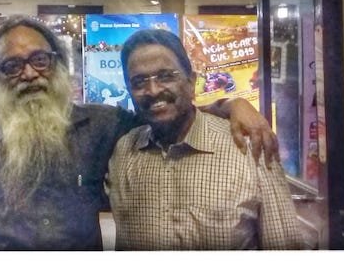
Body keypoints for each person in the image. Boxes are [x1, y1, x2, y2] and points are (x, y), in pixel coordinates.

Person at [0, 16, 279, 251]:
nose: (28, 74)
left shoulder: (102, 126)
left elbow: (165, 110)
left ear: (58, 65)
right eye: (11, 66)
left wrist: (232, 104)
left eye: (39, 60)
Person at [106, 28, 305, 250]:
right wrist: (230, 103)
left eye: (165, 76)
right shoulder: (124, 151)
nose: (153, 90)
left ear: (191, 82)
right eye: (139, 82)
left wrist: (234, 103)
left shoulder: (250, 148)